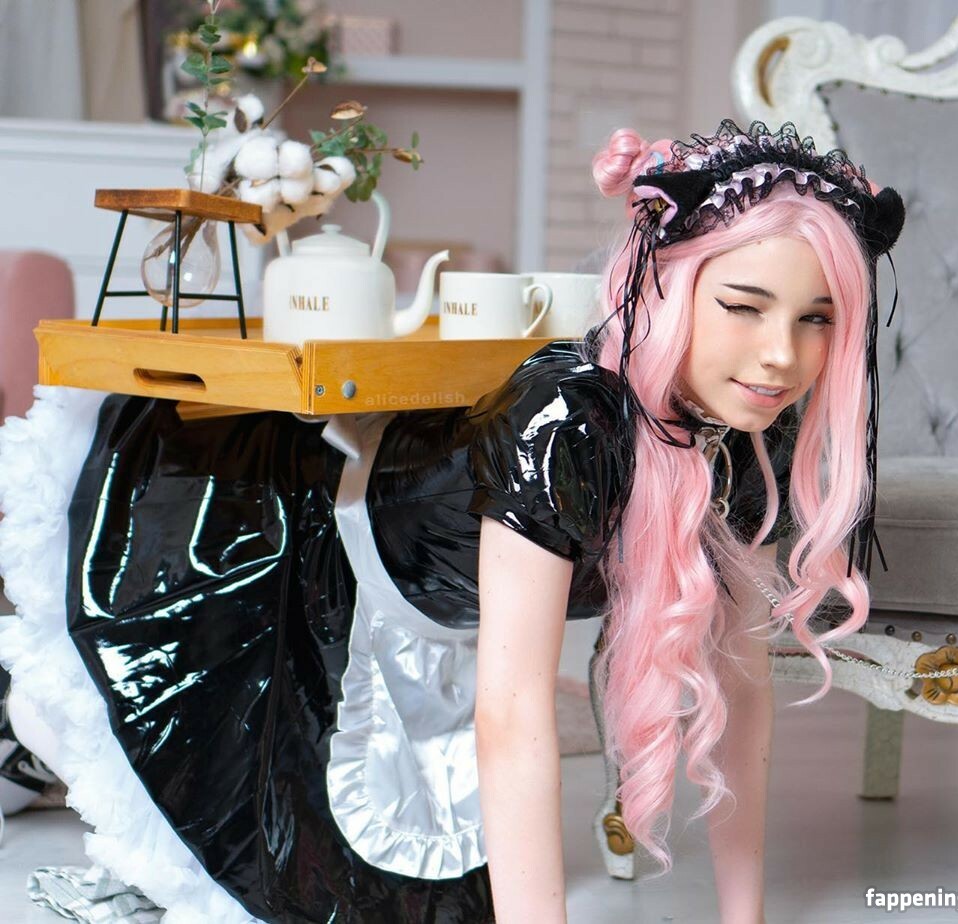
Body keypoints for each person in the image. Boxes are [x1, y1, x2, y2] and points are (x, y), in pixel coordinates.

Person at [0, 120, 903, 923]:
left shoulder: (751, 436)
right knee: (103, 726)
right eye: (743, 307)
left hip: (441, 612)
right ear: (666, 287)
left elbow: (742, 693)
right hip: (299, 542)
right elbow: (513, 712)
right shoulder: (568, 422)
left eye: (816, 320)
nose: (781, 356)